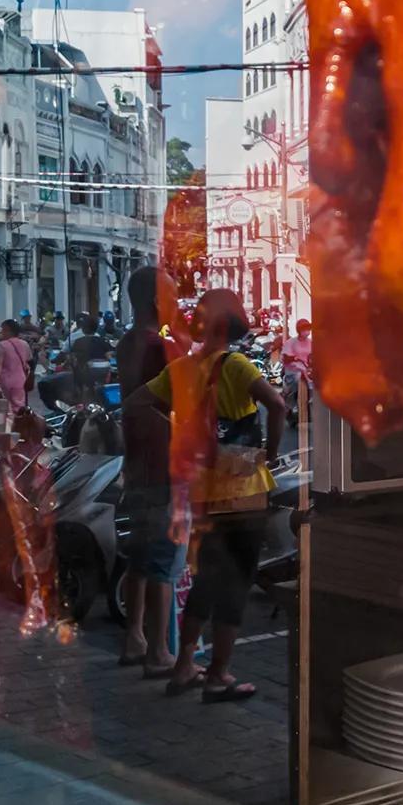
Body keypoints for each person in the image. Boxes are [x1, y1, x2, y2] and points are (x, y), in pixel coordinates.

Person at [132, 290, 285, 703]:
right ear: (230, 324)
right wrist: (269, 453)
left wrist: (181, 434)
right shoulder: (235, 365)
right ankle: (218, 675)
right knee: (234, 584)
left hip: (203, 491)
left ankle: (184, 665)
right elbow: (278, 403)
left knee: (205, 578)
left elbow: (137, 402)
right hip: (243, 493)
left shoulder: (181, 368)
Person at [115, 266, 183, 674]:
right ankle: (159, 650)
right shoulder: (161, 348)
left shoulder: (126, 343)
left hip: (136, 461)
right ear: (158, 302)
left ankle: (134, 637)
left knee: (139, 554)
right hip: (162, 462)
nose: (177, 304)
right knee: (164, 558)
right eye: (174, 297)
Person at [68, 312, 114, 405]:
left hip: (87, 371)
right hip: (104, 370)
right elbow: (109, 356)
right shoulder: (102, 340)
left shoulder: (78, 341)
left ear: (84, 329)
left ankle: (80, 401)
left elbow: (72, 358)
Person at [0, 319, 34, 413]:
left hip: (5, 381)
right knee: (19, 407)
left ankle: (8, 426)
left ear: (8, 331)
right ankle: (20, 424)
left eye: (3, 330)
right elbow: (28, 360)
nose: (1, 333)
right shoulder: (25, 344)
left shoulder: (2, 345)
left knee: (5, 408)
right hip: (21, 380)